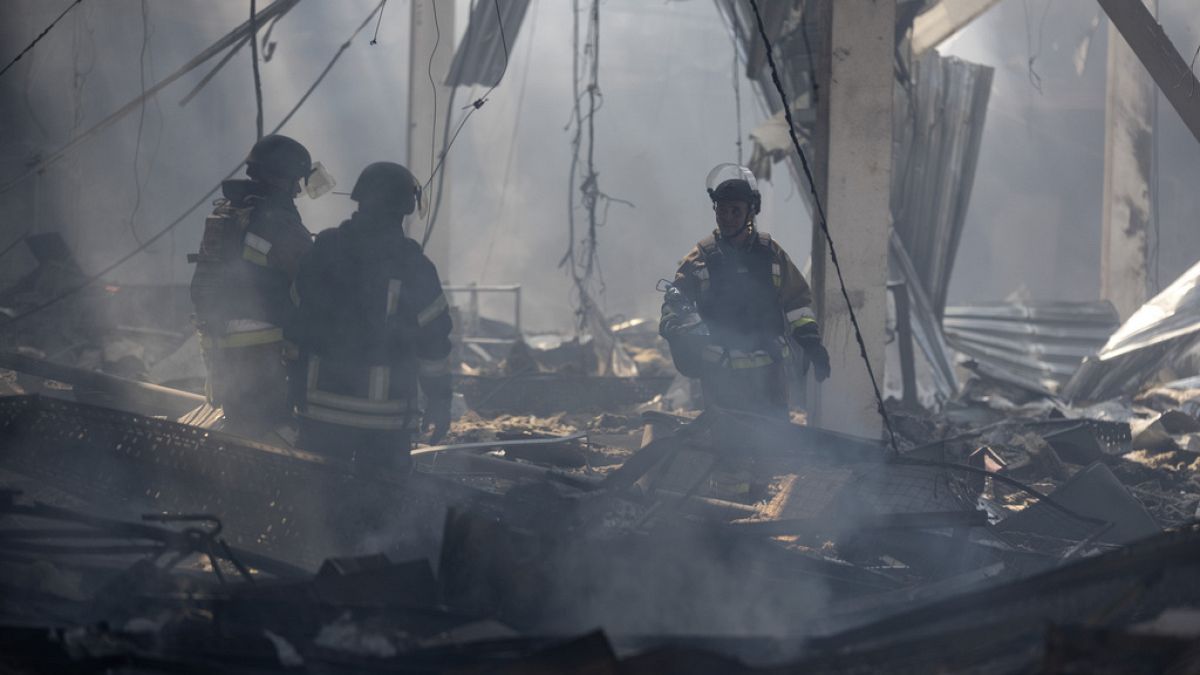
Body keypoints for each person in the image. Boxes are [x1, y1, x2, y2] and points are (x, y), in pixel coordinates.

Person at [288, 161, 452, 474]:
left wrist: (291, 388)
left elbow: (295, 323)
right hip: (384, 423)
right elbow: (433, 345)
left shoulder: (323, 250)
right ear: (405, 208)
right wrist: (439, 401)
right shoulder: (413, 266)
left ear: (360, 200)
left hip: (319, 411)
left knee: (314, 505)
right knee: (378, 511)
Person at [659, 163, 830, 418]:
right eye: (722, 211)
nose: (727, 218)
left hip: (769, 374)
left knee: (773, 443)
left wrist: (811, 342)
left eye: (735, 211)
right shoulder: (699, 259)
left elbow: (798, 304)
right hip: (721, 376)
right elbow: (674, 305)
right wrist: (677, 332)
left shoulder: (772, 254)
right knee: (728, 447)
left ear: (750, 212)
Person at [189, 134, 314, 431]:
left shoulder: (224, 215)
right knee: (268, 434)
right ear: (281, 179)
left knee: (239, 426)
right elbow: (311, 275)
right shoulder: (278, 222)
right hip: (263, 354)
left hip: (220, 347)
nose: (298, 189)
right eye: (296, 180)